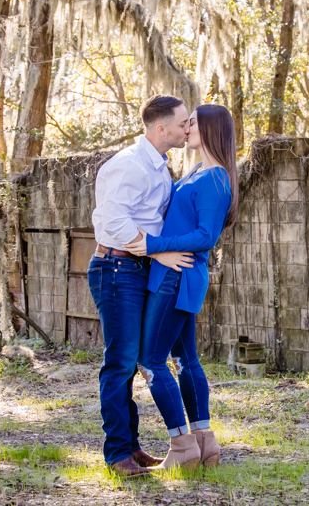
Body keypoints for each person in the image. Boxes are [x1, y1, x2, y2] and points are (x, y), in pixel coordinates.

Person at [124, 104, 239, 470]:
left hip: (178, 276)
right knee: (184, 359)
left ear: (211, 130)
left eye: (193, 123)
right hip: (174, 274)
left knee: (151, 361)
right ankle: (204, 442)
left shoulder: (216, 180)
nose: (186, 128)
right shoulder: (197, 173)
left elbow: (206, 236)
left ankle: (182, 446)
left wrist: (154, 246)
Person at [88, 95, 196, 478]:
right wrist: (157, 252)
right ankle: (117, 454)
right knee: (119, 362)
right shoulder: (131, 165)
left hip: (135, 268)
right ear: (161, 128)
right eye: (183, 123)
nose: (188, 128)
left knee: (132, 362)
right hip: (116, 268)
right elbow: (114, 222)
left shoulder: (158, 167)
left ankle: (130, 447)